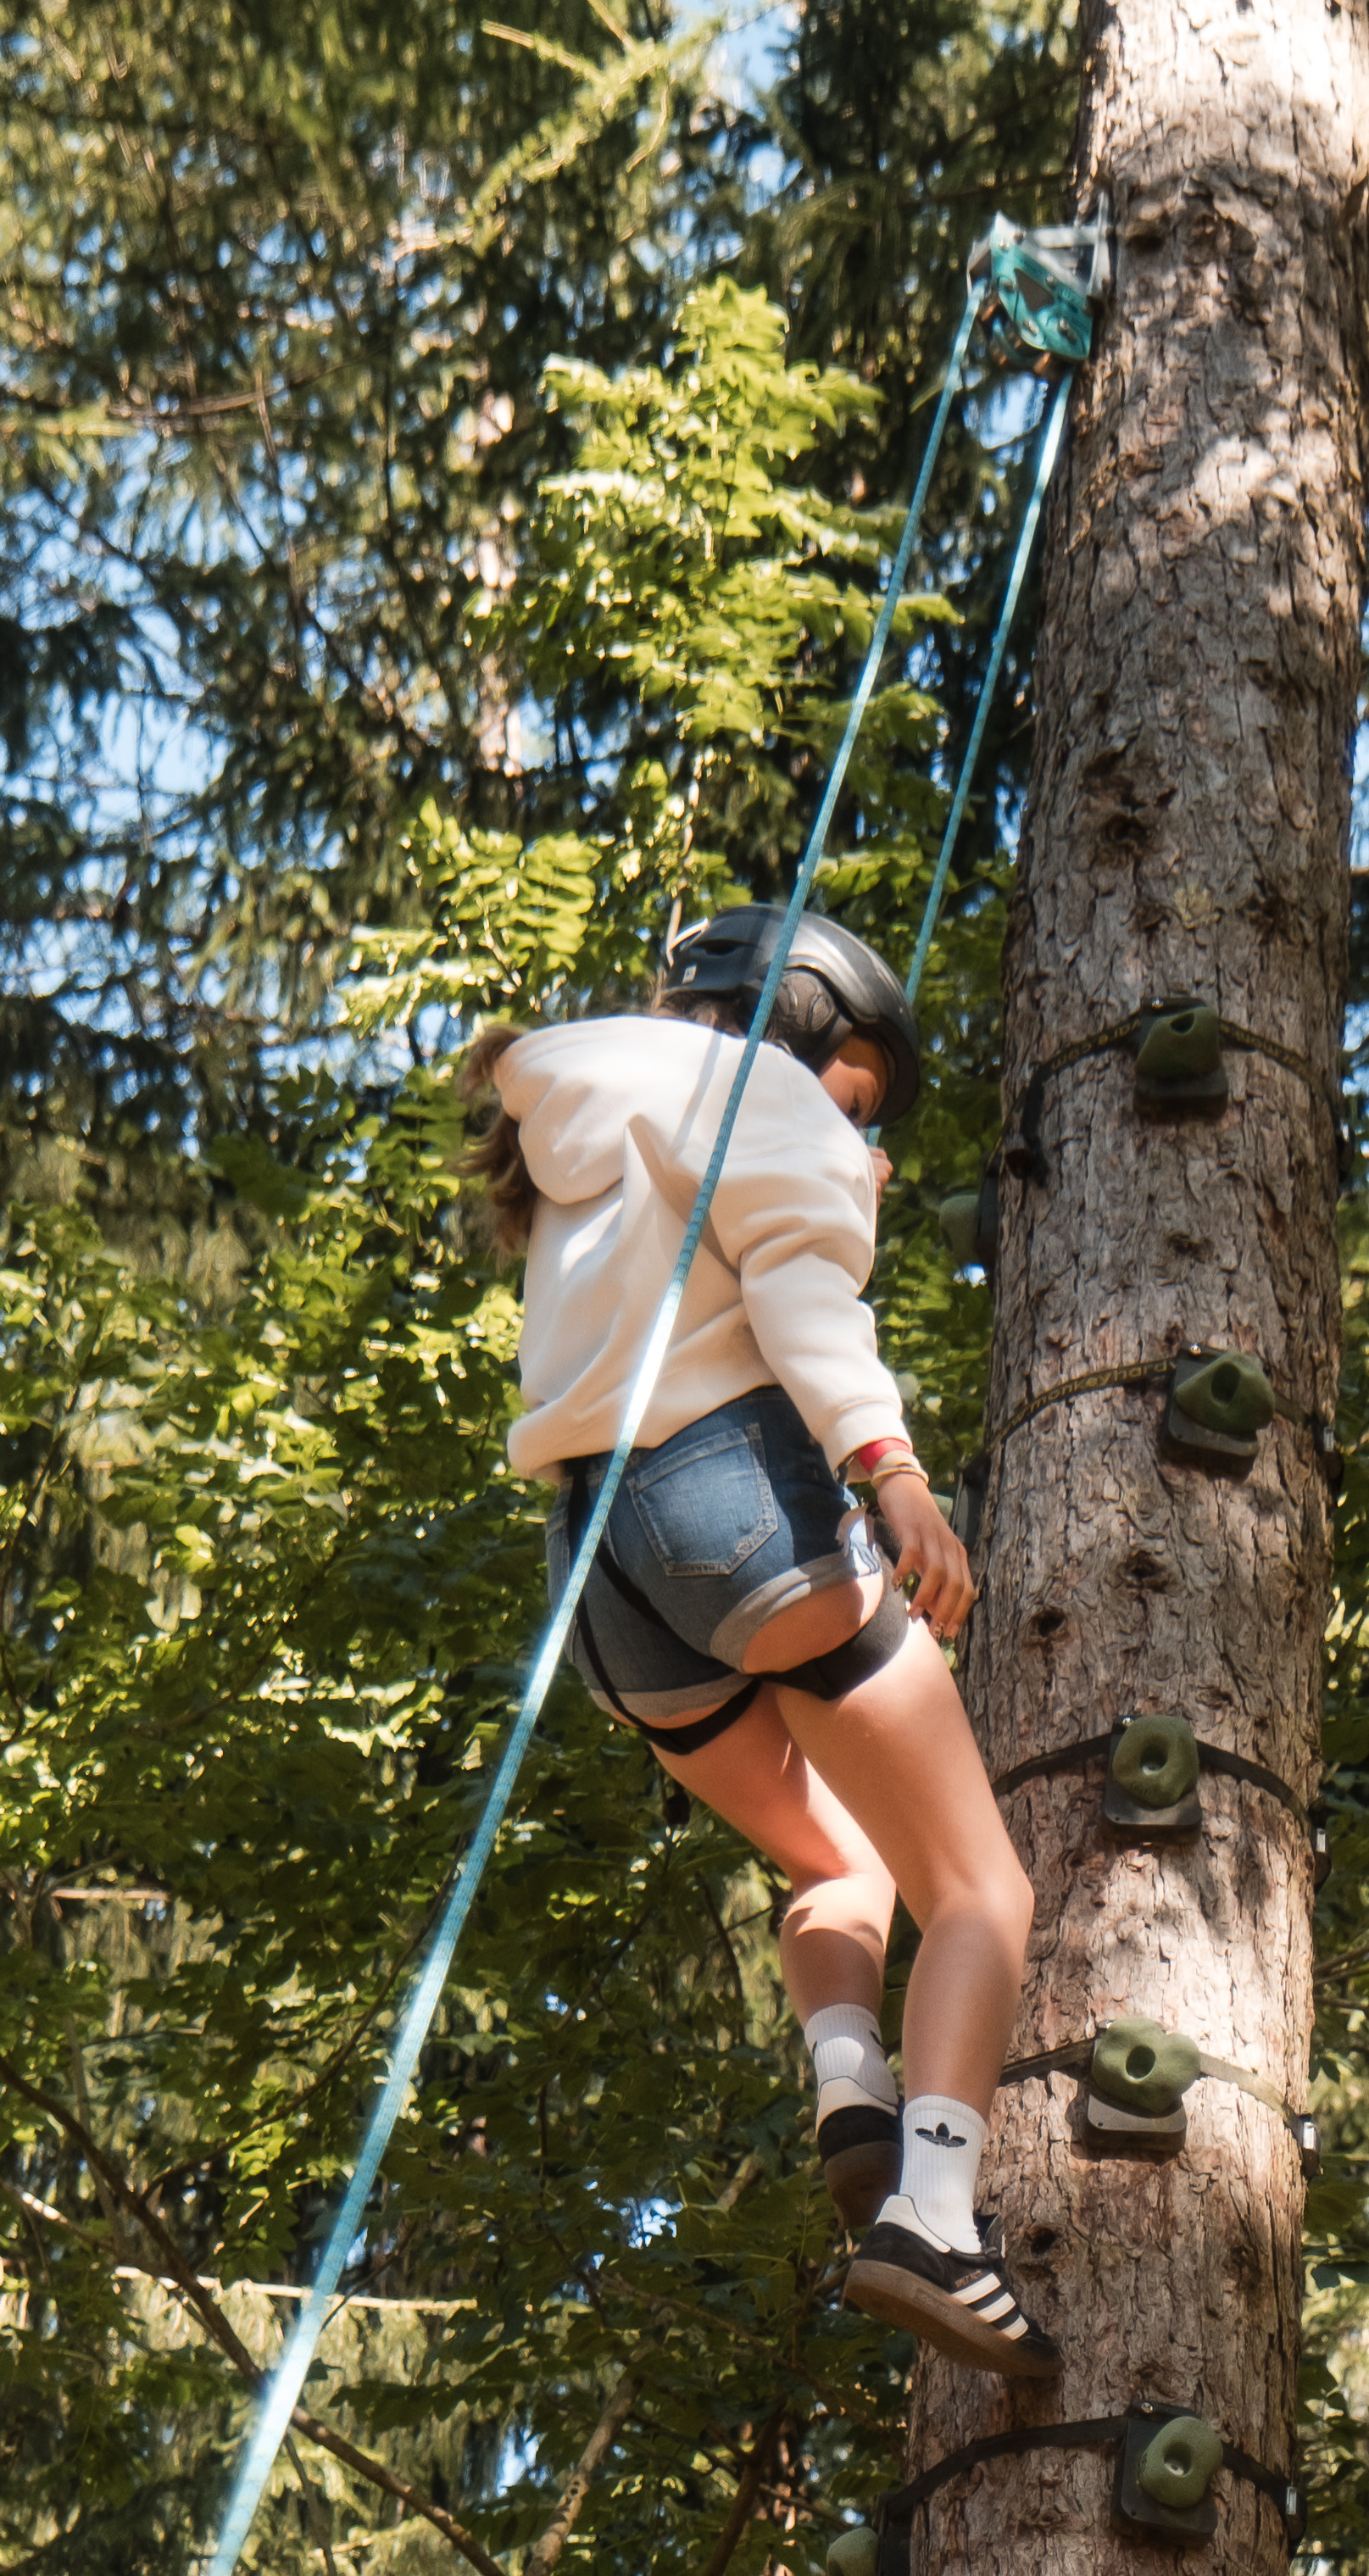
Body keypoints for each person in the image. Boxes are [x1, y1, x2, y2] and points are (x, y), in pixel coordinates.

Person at [465, 903, 1049, 2377]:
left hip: (606, 1579)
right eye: (852, 1086)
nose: (860, 1127)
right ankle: (934, 2220)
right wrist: (894, 1473)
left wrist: (825, 1156)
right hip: (734, 1508)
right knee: (979, 1886)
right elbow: (800, 1296)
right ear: (796, 1017)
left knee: (839, 1859)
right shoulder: (763, 1095)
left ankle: (853, 2087)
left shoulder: (589, 1148)